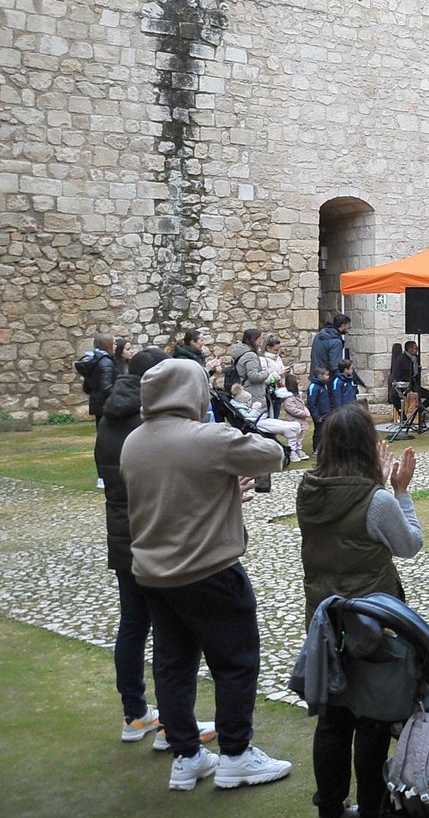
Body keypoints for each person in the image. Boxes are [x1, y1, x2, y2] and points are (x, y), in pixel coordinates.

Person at [121, 357, 292, 792]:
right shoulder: (207, 437)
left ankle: (187, 756)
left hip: (155, 574)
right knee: (235, 662)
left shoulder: (134, 441)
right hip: (209, 570)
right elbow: (274, 454)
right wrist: (239, 424)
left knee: (173, 664)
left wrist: (223, 491)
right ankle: (236, 754)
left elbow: (172, 495)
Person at [297, 405, 423, 818]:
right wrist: (400, 493)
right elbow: (409, 545)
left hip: (325, 619)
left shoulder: (308, 491)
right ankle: (372, 806)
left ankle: (330, 807)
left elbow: (344, 516)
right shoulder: (377, 500)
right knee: (371, 717)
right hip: (371, 623)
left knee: (333, 720)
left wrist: (379, 487)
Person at [95, 346, 219, 753]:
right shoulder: (149, 423)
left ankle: (135, 713)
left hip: (122, 533)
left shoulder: (109, 417)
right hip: (156, 534)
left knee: (133, 625)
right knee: (172, 635)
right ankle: (173, 725)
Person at [77, 332, 117, 422]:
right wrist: (118, 396)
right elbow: (106, 388)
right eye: (114, 343)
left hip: (96, 402)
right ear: (107, 344)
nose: (116, 346)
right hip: (106, 404)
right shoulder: (106, 362)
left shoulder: (94, 360)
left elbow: (87, 387)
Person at [227, 328, 268, 405]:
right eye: (260, 338)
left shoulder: (241, 353)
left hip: (244, 390)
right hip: (253, 393)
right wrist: (266, 373)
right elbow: (253, 376)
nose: (261, 340)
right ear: (254, 339)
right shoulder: (250, 355)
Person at [279, 373, 312, 462]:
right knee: (293, 437)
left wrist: (306, 411)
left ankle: (298, 449)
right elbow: (292, 410)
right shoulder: (289, 399)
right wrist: (303, 413)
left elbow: (302, 405)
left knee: (300, 437)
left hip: (301, 421)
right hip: (293, 421)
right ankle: (292, 452)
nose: (301, 386)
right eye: (299, 384)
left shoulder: (297, 396)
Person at [311, 313, 351, 383]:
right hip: (327, 379)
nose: (348, 329)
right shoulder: (336, 342)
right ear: (343, 326)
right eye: (348, 326)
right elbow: (335, 365)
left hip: (316, 376)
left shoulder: (319, 335)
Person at [261, 334, 291, 417]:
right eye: (275, 350)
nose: (278, 352)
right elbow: (264, 379)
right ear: (268, 348)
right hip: (269, 394)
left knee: (276, 415)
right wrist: (278, 374)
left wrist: (286, 372)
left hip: (278, 392)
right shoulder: (263, 360)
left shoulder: (277, 358)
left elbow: (281, 372)